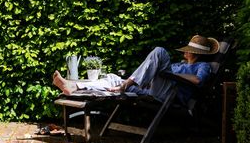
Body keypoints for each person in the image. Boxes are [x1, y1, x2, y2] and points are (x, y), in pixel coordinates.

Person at [53, 35, 220, 105]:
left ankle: (125, 84)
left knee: (159, 51)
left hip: (170, 94)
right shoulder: (178, 64)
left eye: (188, 48)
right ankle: (74, 87)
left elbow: (199, 81)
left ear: (195, 53)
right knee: (112, 78)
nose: (185, 50)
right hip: (151, 88)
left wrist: (171, 75)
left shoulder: (202, 66)